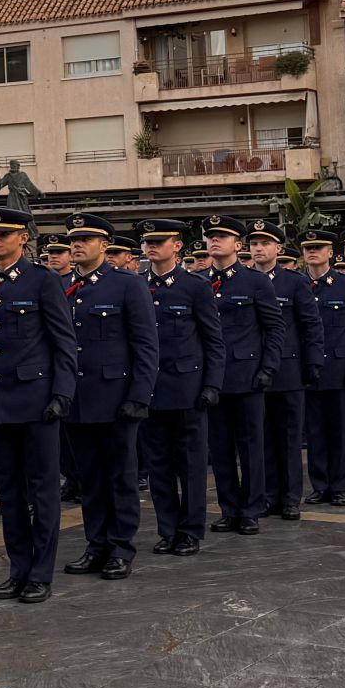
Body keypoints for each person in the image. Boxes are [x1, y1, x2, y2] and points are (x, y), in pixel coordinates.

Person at [0, 208, 76, 602]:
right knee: (9, 492)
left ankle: (40, 573)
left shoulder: (42, 281)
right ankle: (17, 569)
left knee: (43, 491)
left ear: (23, 238)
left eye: (4, 233)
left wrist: (62, 393)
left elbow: (63, 341)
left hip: (36, 401)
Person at [60, 214, 158, 579]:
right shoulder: (63, 286)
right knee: (89, 479)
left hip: (117, 398)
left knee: (120, 476)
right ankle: (96, 544)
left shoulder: (126, 285)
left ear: (104, 245)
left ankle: (120, 548)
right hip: (78, 400)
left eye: (86, 238)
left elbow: (146, 345)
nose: (77, 244)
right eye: (74, 238)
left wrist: (139, 395)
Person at [139, 218, 224, 555]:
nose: (152, 247)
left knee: (190, 465)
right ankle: (167, 528)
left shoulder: (195, 286)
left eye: (160, 241)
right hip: (151, 390)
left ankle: (190, 530)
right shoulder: (137, 285)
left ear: (177, 246)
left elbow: (213, 340)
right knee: (158, 465)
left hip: (188, 389)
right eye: (148, 242)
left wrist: (212, 384)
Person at [203, 215, 282, 535]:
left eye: (222, 237)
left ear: (238, 245)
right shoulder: (199, 282)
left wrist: (268, 368)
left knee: (251, 447)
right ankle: (229, 508)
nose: (214, 241)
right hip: (211, 380)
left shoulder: (255, 281)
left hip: (247, 376)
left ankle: (251, 508)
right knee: (219, 449)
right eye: (211, 237)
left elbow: (274, 328)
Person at [246, 220, 323, 521]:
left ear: (278, 248)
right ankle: (268, 496)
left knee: (289, 438)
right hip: (254, 369)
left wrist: (313, 362)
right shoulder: (245, 280)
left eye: (265, 243)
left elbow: (311, 324)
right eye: (254, 244)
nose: (259, 248)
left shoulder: (293, 282)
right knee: (261, 438)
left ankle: (291, 498)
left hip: (288, 371)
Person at [301, 226, 345, 506]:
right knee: (315, 432)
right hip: (309, 372)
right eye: (308, 249)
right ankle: (319, 485)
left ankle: (340, 486)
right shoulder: (298, 285)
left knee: (340, 431)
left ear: (330, 253)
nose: (312, 252)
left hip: (339, 369)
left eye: (318, 248)